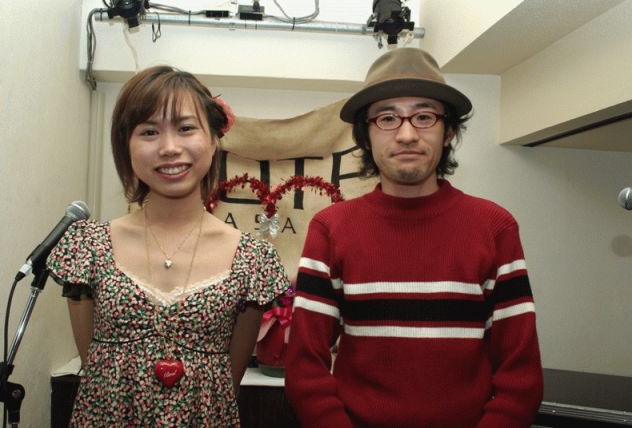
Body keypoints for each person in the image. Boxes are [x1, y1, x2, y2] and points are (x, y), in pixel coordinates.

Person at [285, 48, 543, 427]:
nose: (407, 135)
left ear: (448, 131)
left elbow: (521, 376)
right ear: (365, 135)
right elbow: (305, 368)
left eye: (424, 117)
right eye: (387, 118)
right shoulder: (330, 229)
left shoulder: (494, 228)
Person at [47, 65, 289, 426]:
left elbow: (227, 384)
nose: (169, 148)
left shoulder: (253, 259)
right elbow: (95, 368)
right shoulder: (88, 246)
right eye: (149, 132)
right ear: (126, 145)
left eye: (186, 128)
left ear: (213, 139)